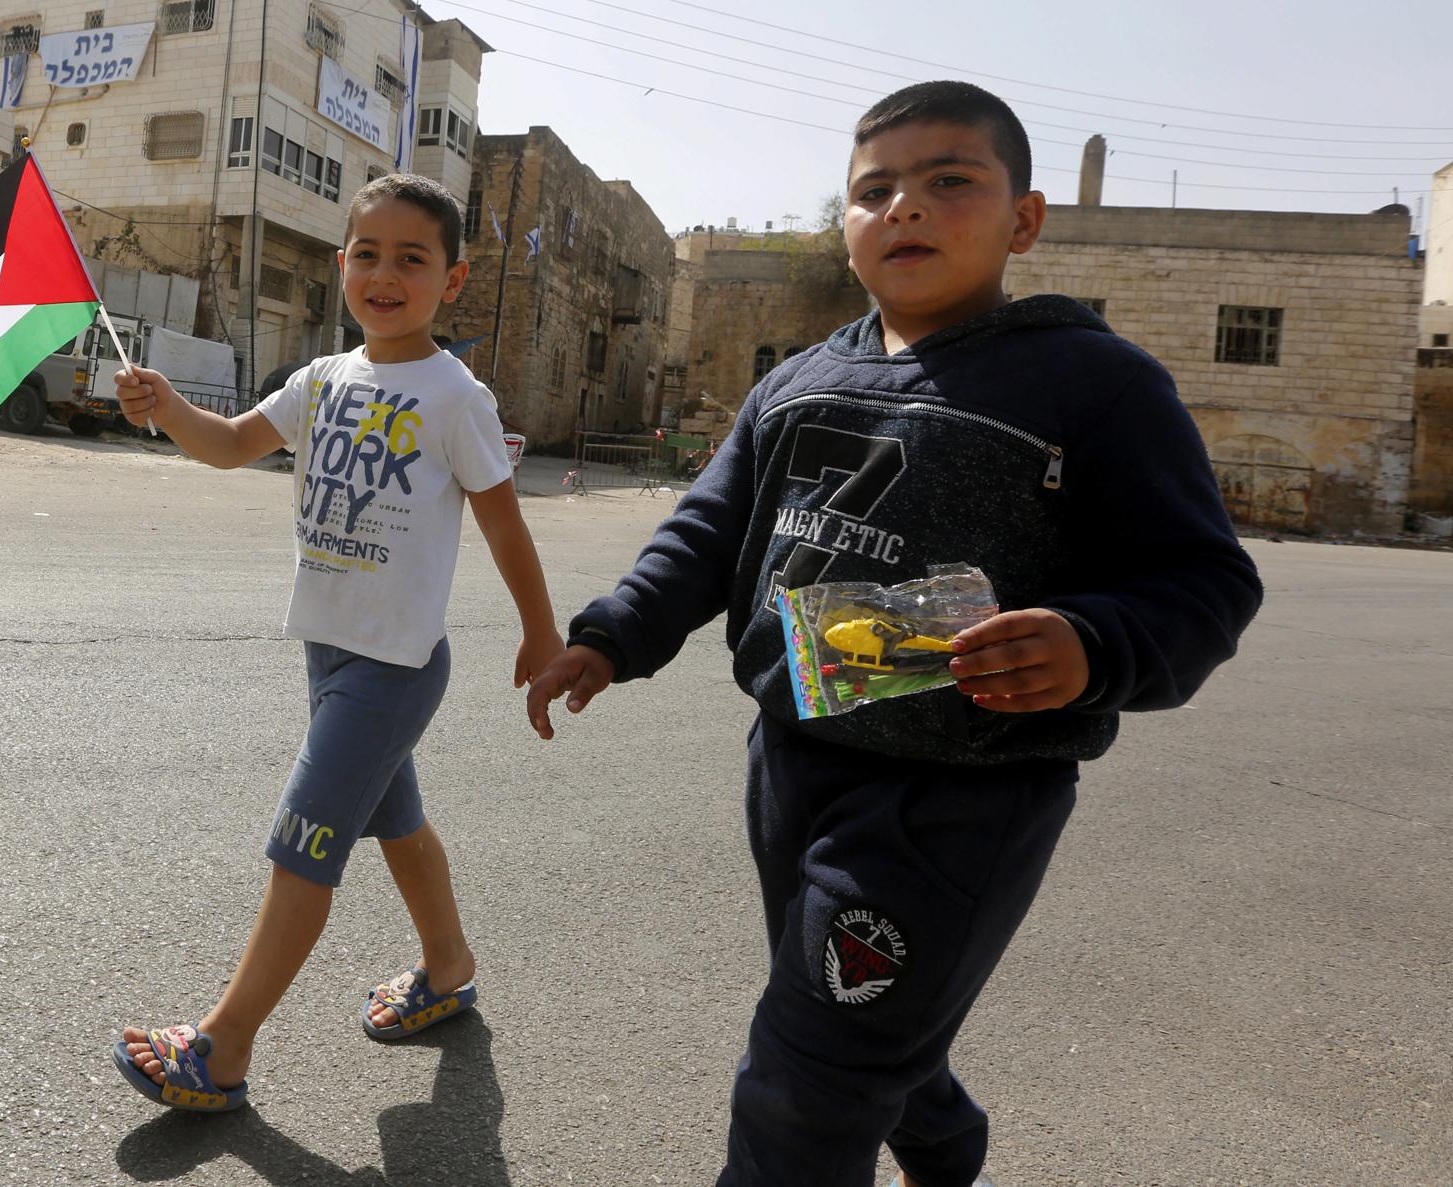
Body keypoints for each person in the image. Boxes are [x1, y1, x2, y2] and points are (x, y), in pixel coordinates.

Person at [526, 82, 1263, 1187]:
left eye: (948, 181)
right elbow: (711, 528)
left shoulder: (1096, 385)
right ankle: (941, 1138)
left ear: (1024, 220)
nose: (906, 207)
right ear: (848, 226)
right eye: (875, 190)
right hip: (792, 762)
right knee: (847, 1012)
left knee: (806, 1075)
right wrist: (616, 631)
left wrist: (1092, 641)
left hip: (963, 798)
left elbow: (1204, 580)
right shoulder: (798, 385)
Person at [109, 173, 560, 1112]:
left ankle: (221, 1048)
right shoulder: (322, 378)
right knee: (397, 825)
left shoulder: (454, 394)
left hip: (395, 666)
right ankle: (448, 966)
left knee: (303, 841)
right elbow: (232, 442)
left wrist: (540, 629)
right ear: (339, 264)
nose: (385, 274)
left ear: (454, 277)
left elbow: (506, 525)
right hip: (329, 651)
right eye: (368, 254)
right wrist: (165, 408)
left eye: (411, 258)